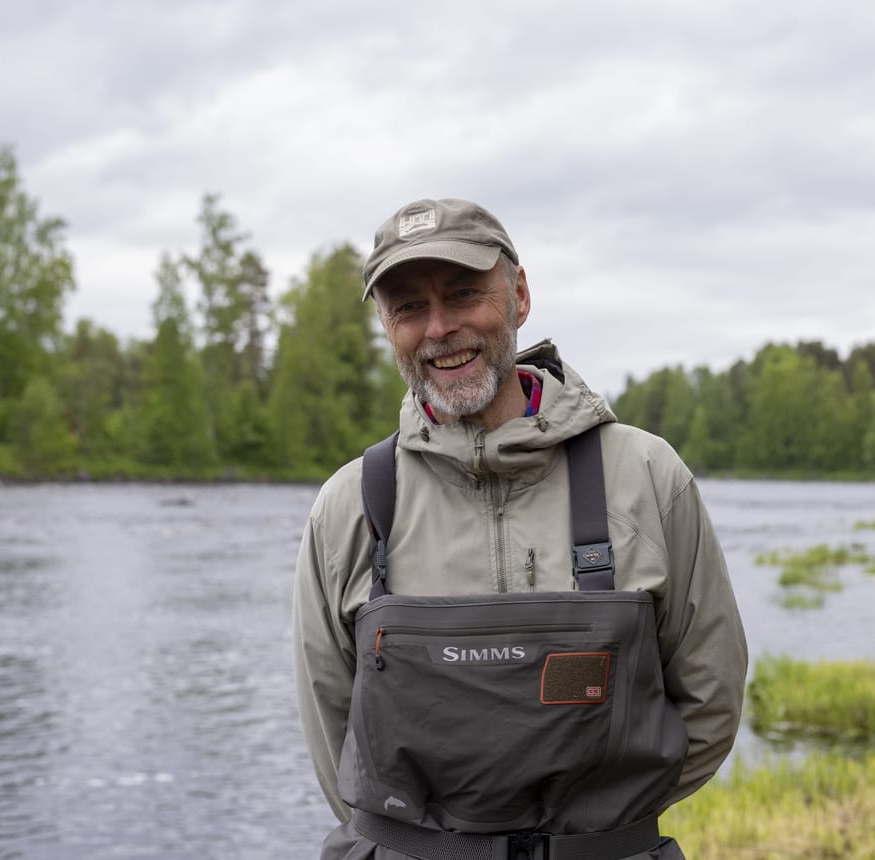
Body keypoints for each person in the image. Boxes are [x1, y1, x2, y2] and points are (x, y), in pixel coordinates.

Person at [292, 198, 748, 859]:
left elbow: (711, 700)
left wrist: (601, 831)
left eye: (463, 294)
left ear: (520, 295)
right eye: (409, 308)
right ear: (388, 325)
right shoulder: (350, 506)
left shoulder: (647, 477)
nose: (440, 328)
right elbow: (335, 738)